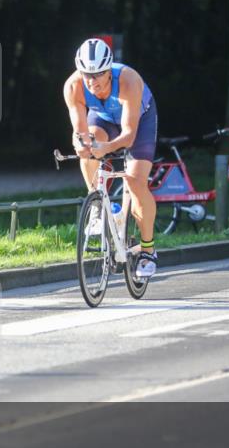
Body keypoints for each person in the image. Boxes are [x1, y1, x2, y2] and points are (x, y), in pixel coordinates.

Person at [63, 37, 159, 278]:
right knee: (88, 147)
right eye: (86, 74)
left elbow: (128, 135)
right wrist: (82, 143)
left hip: (139, 121)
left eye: (97, 75)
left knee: (135, 182)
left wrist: (105, 148)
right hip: (103, 118)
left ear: (109, 71)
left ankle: (148, 250)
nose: (91, 81)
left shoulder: (128, 80)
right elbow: (80, 129)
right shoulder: (73, 86)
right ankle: (97, 203)